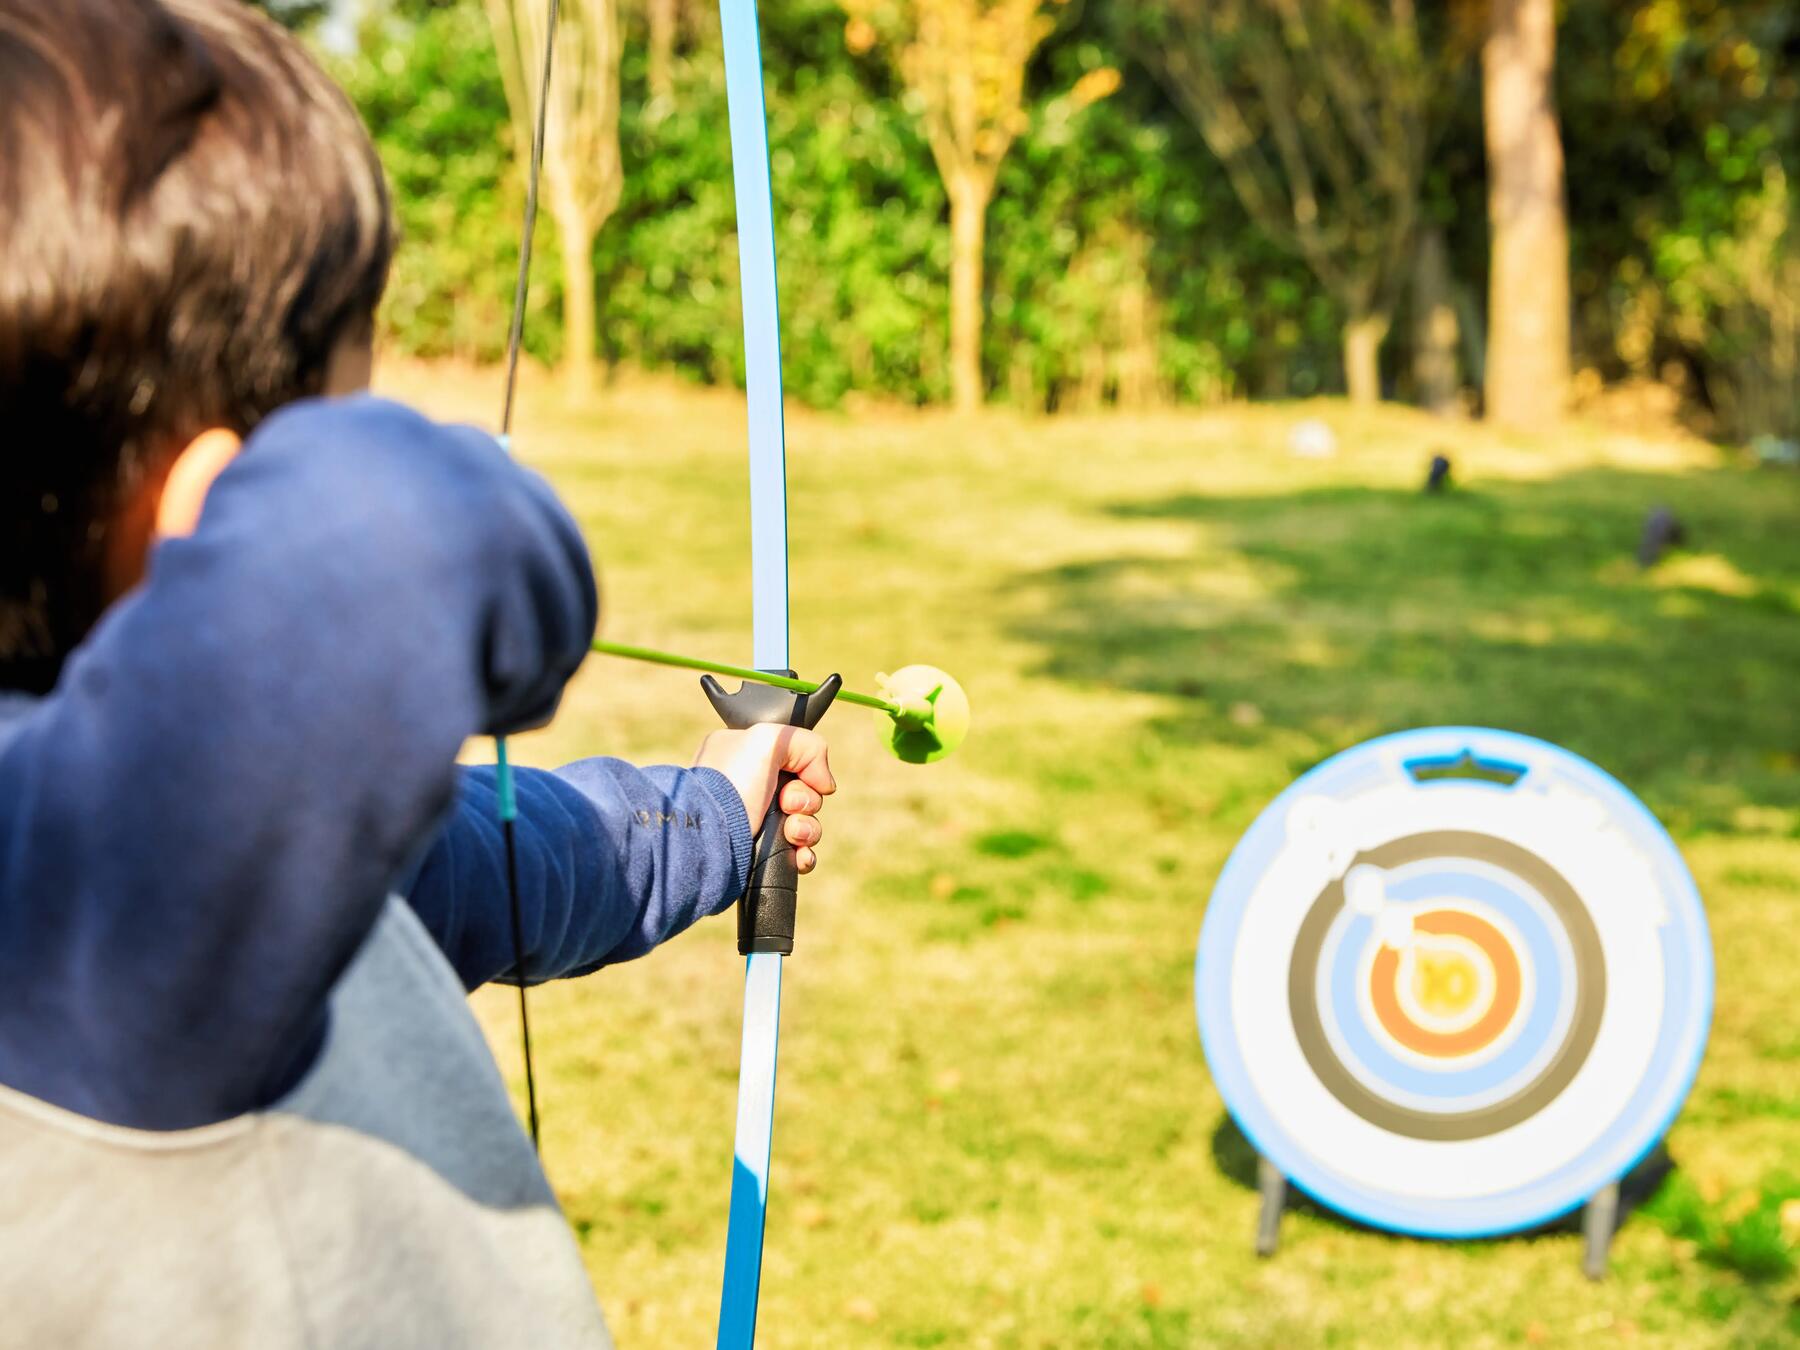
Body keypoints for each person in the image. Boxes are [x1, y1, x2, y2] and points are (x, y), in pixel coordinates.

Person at [0, 2, 834, 1344]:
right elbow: (399, 536)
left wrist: (716, 812)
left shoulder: (263, 832)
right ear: (217, 506)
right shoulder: (97, 885)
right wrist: (469, 498)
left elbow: (520, 860)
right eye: (348, 389)